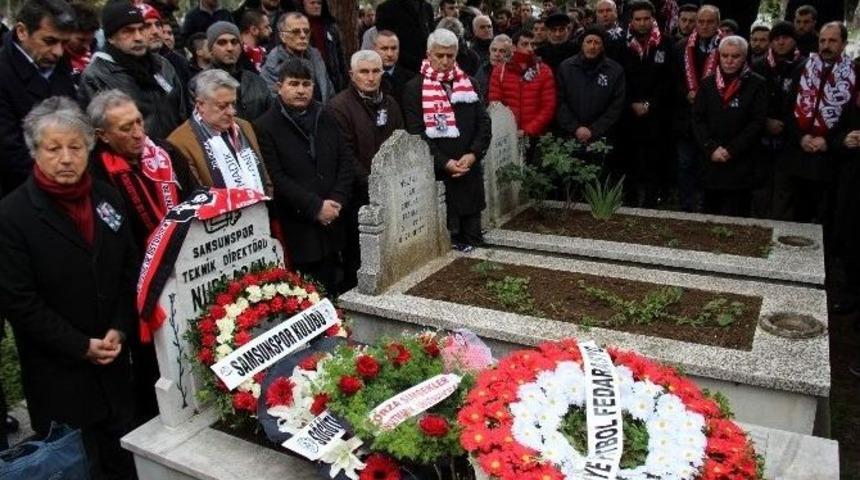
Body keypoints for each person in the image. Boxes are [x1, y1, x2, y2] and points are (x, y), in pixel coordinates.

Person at [0, 96, 138, 479]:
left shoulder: (107, 199)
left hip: (112, 365)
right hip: (59, 374)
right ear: (34, 152)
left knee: (121, 460)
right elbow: (19, 302)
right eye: (53, 148)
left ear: (89, 148)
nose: (65, 158)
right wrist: (80, 346)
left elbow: (129, 267)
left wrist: (118, 326)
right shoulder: (12, 216)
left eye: (75, 147)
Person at [87, 90, 196, 421]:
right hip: (138, 279)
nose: (138, 134)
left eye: (138, 122)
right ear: (102, 135)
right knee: (155, 361)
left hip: (184, 265)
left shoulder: (164, 153)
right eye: (125, 128)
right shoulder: (95, 174)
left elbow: (193, 199)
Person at [255, 58, 354, 295]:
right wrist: (315, 206)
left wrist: (337, 200)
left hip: (334, 216)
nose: (301, 90)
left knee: (336, 282)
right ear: (279, 86)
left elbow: (345, 159)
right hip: (299, 222)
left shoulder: (326, 115)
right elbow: (276, 176)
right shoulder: (265, 126)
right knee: (307, 290)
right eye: (293, 84)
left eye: (306, 84)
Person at [403, 28, 491, 250]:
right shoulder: (414, 88)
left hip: (469, 172)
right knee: (446, 250)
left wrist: (473, 154)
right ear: (428, 54)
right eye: (439, 55)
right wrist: (444, 162)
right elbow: (417, 133)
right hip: (439, 175)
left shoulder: (469, 83)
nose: (444, 61)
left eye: (450, 56)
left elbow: (484, 123)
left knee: (474, 241)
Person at [327, 50, 404, 291]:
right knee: (359, 257)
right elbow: (346, 154)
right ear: (352, 74)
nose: (370, 78)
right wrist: (372, 184)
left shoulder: (390, 103)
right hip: (357, 195)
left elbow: (400, 140)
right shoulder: (339, 107)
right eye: (364, 72)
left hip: (390, 190)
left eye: (375, 71)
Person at [775, 22, 855, 223]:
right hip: (799, 156)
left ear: (844, 44)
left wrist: (829, 140)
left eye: (833, 41)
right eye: (823, 40)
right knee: (797, 218)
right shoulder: (802, 68)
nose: (826, 45)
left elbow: (853, 118)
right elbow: (787, 109)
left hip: (833, 161)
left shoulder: (855, 74)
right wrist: (801, 137)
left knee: (828, 218)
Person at [80, 1, 187, 141]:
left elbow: (182, 114)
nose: (138, 37)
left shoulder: (162, 65)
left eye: (141, 29)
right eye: (128, 31)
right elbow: (98, 134)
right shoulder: (96, 76)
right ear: (111, 38)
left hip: (172, 155)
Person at [0, 0, 76, 195]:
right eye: (49, 41)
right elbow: (11, 154)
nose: (59, 52)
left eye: (64, 43)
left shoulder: (59, 64)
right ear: (22, 32)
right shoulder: (3, 74)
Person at [692, 35, 766, 217]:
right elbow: (698, 119)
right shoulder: (708, 83)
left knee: (738, 215)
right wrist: (711, 148)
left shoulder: (757, 84)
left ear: (744, 57)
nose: (729, 61)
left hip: (741, 162)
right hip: (712, 160)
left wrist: (731, 150)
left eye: (735, 56)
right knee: (709, 214)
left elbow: (757, 122)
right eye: (725, 56)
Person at [167, 69, 271, 194]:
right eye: (222, 106)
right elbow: (196, 195)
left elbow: (264, 177)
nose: (231, 112)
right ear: (200, 105)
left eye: (233, 104)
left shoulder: (244, 126)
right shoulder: (179, 142)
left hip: (260, 209)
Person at [621, 0, 674, 207]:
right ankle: (629, 201)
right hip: (629, 113)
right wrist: (631, 103)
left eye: (646, 19)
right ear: (631, 21)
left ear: (653, 19)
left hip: (656, 113)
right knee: (629, 160)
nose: (642, 23)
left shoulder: (666, 43)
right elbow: (619, 78)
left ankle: (652, 202)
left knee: (654, 160)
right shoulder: (621, 44)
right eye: (637, 19)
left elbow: (669, 80)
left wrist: (650, 104)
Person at [750, 21, 801, 218]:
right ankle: (757, 224)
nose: (781, 42)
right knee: (760, 186)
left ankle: (780, 227)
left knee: (784, 187)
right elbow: (751, 102)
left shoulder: (804, 66)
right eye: (776, 38)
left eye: (786, 38)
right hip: (761, 135)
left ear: (794, 41)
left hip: (790, 136)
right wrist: (765, 122)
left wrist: (786, 125)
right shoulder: (757, 66)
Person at [673, 4, 721, 212]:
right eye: (700, 21)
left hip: (714, 119)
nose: (704, 26)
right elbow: (672, 79)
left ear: (718, 24)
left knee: (709, 165)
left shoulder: (727, 48)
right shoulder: (681, 46)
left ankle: (707, 207)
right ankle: (686, 206)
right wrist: (686, 92)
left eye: (710, 22)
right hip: (686, 117)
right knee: (685, 164)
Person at [556, 25, 626, 163]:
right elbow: (559, 101)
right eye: (588, 42)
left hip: (602, 137)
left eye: (597, 42)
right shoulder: (566, 67)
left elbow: (616, 105)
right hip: (570, 135)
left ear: (603, 46)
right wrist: (575, 128)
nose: (592, 46)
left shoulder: (615, 70)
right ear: (582, 44)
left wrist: (594, 130)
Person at [488, 29, 555, 161]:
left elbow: (548, 106)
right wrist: (509, 129)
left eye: (533, 44)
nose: (530, 48)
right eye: (525, 44)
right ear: (514, 47)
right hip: (507, 135)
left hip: (535, 136)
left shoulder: (544, 71)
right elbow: (495, 103)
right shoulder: (500, 71)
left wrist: (528, 130)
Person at [206, 21, 273, 121]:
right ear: (211, 49)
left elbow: (270, 118)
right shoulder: (200, 84)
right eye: (222, 43)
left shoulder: (257, 81)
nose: (230, 48)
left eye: (234, 42)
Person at [261, 12, 335, 103]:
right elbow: (274, 101)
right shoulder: (272, 65)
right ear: (282, 36)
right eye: (296, 32)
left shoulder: (316, 57)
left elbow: (329, 91)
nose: (303, 36)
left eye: (306, 31)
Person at [298, 0, 347, 91]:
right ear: (304, 4)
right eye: (312, 3)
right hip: (309, 75)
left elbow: (340, 56)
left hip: (332, 76)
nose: (316, 6)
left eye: (319, 3)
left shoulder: (331, 27)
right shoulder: (298, 27)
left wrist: (343, 79)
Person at [375, 0, 435, 73]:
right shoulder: (386, 9)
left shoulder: (427, 8)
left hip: (425, 69)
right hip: (399, 71)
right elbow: (385, 42)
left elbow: (430, 38)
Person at [141, 3, 191, 91]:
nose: (155, 31)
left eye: (157, 24)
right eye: (147, 26)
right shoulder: (129, 70)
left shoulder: (175, 63)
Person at [374, 30, 416, 110]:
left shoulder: (411, 79)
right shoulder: (366, 79)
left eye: (394, 48)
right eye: (384, 49)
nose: (390, 54)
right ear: (375, 49)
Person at [66, 1, 100, 84]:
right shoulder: (53, 59)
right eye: (81, 40)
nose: (86, 46)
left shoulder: (97, 55)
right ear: (65, 32)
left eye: (90, 40)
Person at [475, 34, 512, 101]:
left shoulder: (513, 74)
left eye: (502, 51)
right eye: (494, 50)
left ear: (509, 55)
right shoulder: (483, 69)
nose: (496, 54)